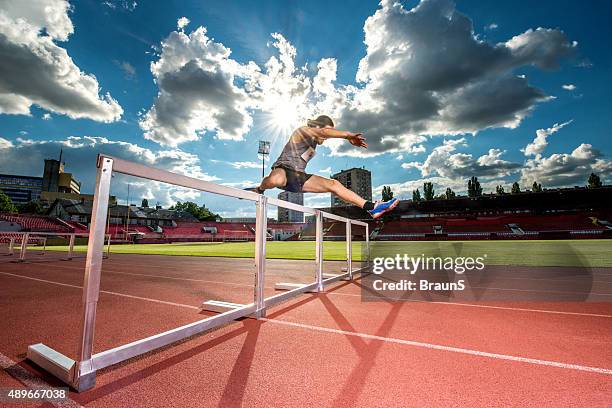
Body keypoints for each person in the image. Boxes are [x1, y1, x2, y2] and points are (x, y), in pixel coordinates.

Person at [251, 115, 399, 219]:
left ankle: (371, 207)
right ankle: (260, 189)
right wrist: (348, 136)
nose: (328, 136)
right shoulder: (302, 130)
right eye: (328, 131)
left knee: (334, 184)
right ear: (318, 126)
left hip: (299, 177)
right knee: (275, 179)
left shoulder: (314, 144)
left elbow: (323, 133)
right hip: (283, 169)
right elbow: (323, 132)